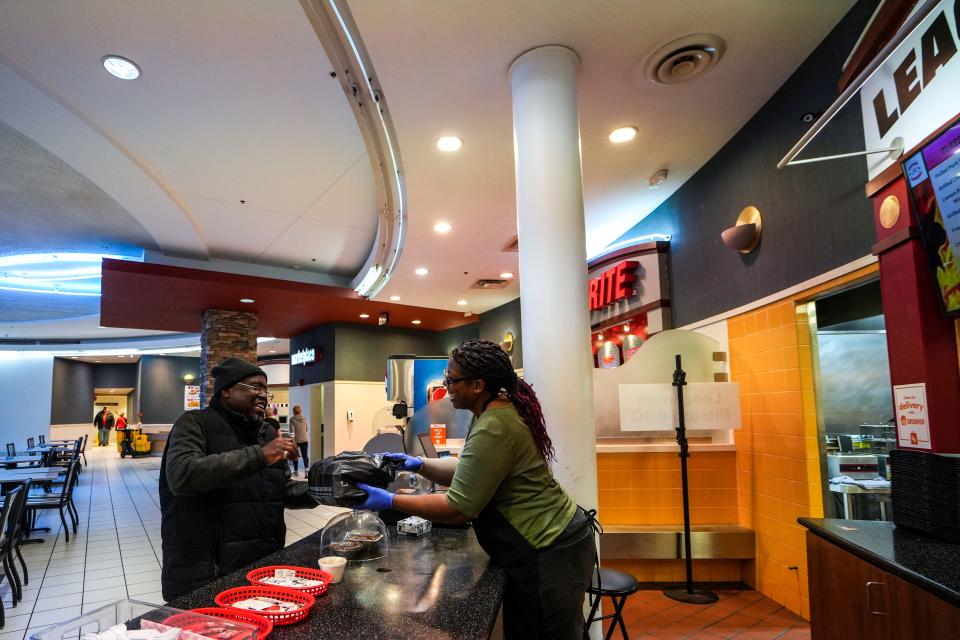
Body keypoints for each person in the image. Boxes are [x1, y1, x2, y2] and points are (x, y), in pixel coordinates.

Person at [357, 339, 595, 638]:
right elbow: (469, 470)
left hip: (547, 549)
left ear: (478, 385)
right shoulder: (491, 413)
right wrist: (417, 464)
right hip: (557, 541)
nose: (447, 387)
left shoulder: (495, 424)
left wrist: (389, 500)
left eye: (452, 380)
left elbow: (458, 509)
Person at [159, 357, 301, 601]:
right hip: (207, 572)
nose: (263, 395)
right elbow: (182, 475)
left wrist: (334, 488)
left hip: (261, 566)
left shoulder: (265, 433)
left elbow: (282, 490)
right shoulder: (194, 424)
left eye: (266, 390)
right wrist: (261, 455)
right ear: (226, 390)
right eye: (255, 387)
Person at [289, 405, 309, 477]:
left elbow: (292, 431)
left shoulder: (292, 419)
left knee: (295, 455)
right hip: (304, 439)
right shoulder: (304, 418)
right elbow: (306, 428)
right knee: (305, 456)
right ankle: (306, 470)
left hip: (296, 440)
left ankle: (296, 471)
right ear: (300, 411)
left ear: (294, 411)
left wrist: (292, 440)